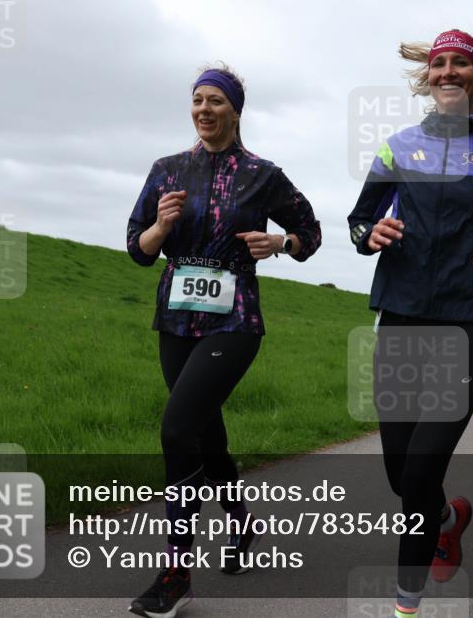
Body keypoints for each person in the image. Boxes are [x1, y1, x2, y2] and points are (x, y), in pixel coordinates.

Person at [348, 29, 473, 618]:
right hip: (402, 319)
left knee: (420, 469)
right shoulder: (396, 148)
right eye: (439, 63)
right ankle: (446, 518)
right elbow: (361, 221)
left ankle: (405, 606)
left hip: (467, 326)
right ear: (427, 77)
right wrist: (373, 235)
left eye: (460, 63)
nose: (448, 71)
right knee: (397, 471)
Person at [126, 64, 322, 618]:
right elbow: (137, 250)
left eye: (215, 100)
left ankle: (175, 572)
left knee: (177, 428)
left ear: (236, 110)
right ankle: (241, 523)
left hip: (234, 321)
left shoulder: (263, 174)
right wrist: (161, 229)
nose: (204, 109)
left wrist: (280, 241)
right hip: (175, 318)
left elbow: (311, 234)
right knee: (206, 439)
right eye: (196, 100)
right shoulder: (167, 170)